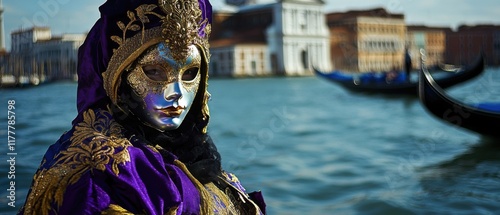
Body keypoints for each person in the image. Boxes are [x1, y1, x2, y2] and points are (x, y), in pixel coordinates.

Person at [18, 0, 266, 214]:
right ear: (120, 78)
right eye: (154, 72)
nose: (176, 94)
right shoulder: (104, 177)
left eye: (190, 73)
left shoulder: (198, 157)